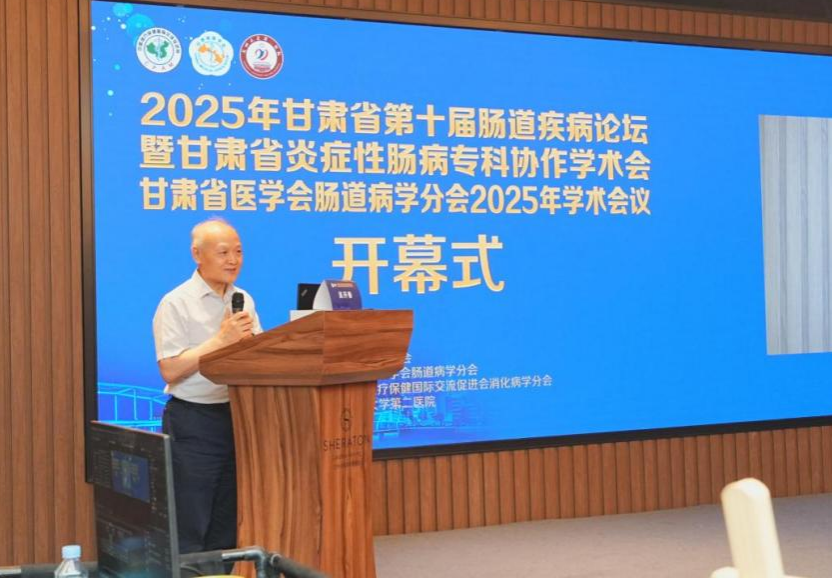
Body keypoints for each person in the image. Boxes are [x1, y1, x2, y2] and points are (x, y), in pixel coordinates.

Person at [152, 218, 262, 558]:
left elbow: (259, 353)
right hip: (193, 422)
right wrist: (220, 341)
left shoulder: (243, 299)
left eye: (238, 252)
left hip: (236, 418)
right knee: (191, 521)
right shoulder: (176, 303)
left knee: (226, 523)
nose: (233, 260)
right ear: (197, 255)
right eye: (223, 252)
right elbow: (170, 369)